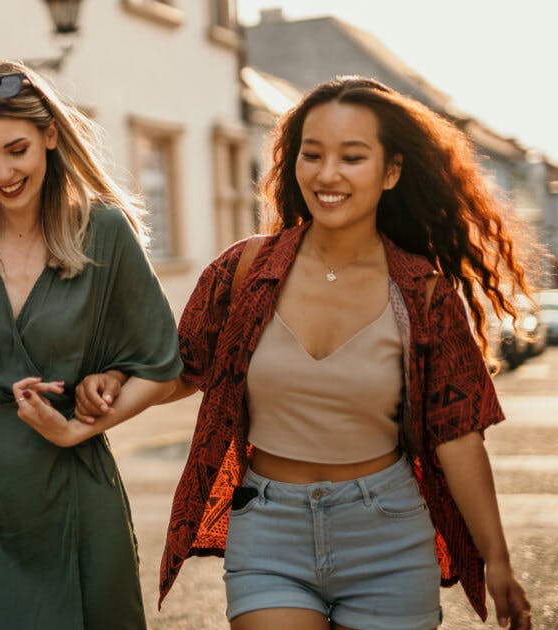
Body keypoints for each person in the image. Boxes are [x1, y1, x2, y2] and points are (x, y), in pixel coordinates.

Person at [79, 76, 534, 629]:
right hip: (271, 530)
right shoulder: (245, 270)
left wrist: (498, 558)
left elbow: (458, 436)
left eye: (352, 157)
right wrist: (112, 382)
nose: (327, 174)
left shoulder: (424, 295)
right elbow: (180, 370)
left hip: (387, 532)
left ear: (391, 172)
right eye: (311, 154)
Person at [0, 61, 182, 629]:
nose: (2, 171)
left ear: (50, 137)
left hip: (78, 495)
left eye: (16, 149)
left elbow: (162, 366)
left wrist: (81, 426)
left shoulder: (104, 231)